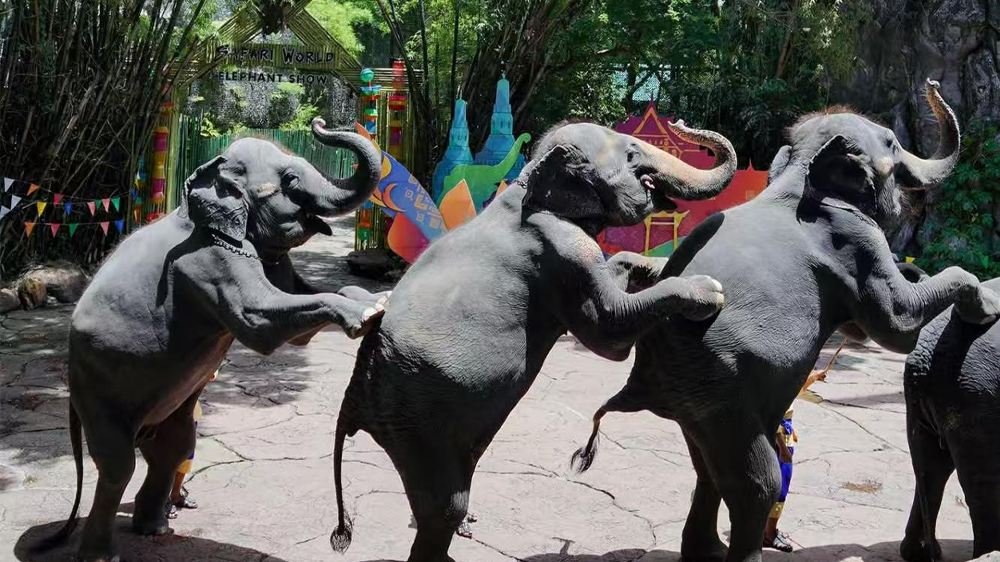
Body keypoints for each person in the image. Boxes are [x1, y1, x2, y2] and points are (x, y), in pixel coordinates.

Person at [763, 340, 844, 552]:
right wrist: (782, 447)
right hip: (778, 437)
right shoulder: (777, 377)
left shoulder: (781, 374)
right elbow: (773, 414)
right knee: (780, 486)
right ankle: (769, 534)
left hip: (782, 435)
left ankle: (765, 530)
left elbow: (796, 390)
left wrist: (815, 377)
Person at [166, 369, 217, 519]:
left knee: (186, 456)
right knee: (165, 459)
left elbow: (211, 373)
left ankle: (175, 494)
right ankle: (161, 499)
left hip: (190, 411)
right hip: (167, 410)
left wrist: (211, 371)